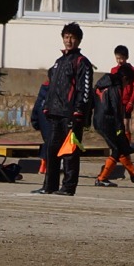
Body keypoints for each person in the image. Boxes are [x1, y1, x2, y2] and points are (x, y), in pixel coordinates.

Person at [33, 22, 93, 196]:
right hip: (55, 114)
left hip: (71, 115)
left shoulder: (82, 62)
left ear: (79, 40)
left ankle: (68, 187)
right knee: (51, 150)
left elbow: (85, 89)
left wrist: (79, 111)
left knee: (70, 152)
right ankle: (49, 186)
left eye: (72, 37)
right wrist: (47, 106)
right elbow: (52, 87)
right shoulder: (58, 62)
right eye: (66, 37)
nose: (69, 41)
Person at [92, 66, 134, 187]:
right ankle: (101, 178)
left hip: (99, 120)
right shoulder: (115, 87)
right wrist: (119, 128)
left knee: (121, 146)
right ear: (125, 78)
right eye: (128, 82)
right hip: (107, 121)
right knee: (116, 149)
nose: (127, 85)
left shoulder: (102, 83)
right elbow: (116, 108)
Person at [111, 45, 134, 140]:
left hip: (126, 102)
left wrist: (131, 101)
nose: (119, 61)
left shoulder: (133, 70)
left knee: (126, 124)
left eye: (122, 58)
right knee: (116, 125)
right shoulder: (114, 70)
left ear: (127, 57)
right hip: (116, 101)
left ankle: (127, 144)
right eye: (117, 58)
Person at [30, 72, 52, 175]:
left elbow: (37, 104)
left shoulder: (44, 88)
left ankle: (43, 166)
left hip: (42, 115)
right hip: (51, 116)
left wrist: (35, 120)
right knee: (52, 141)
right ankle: (46, 165)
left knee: (48, 140)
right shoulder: (60, 87)